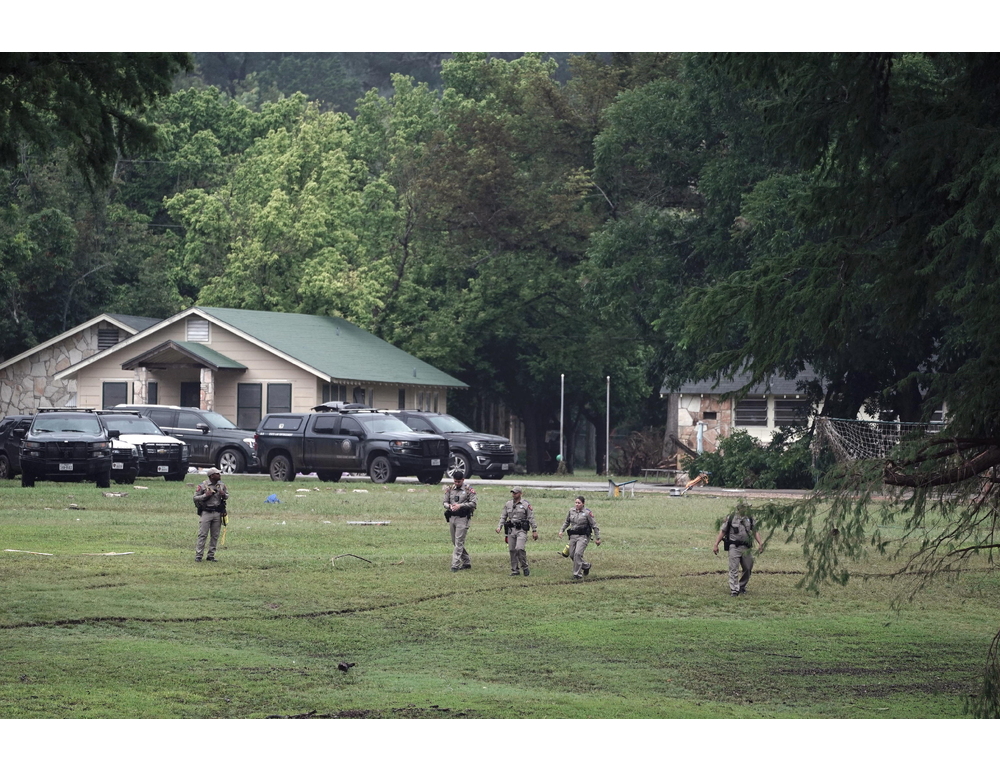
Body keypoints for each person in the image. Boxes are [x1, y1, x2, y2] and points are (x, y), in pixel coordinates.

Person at [713, 503, 764, 596]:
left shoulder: (750, 518)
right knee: (733, 568)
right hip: (734, 546)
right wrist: (716, 544)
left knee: (748, 567)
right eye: (745, 507)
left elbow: (755, 531)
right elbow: (723, 531)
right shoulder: (731, 518)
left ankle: (741, 585)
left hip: (746, 547)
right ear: (740, 508)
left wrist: (760, 543)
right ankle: (734, 590)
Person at [496, 486, 538, 576]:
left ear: (520, 494)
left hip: (521, 530)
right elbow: (503, 516)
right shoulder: (508, 504)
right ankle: (515, 570)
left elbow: (531, 517)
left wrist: (534, 530)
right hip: (511, 529)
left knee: (519, 548)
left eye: (515, 493)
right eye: (513, 493)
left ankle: (525, 566)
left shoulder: (526, 504)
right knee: (512, 550)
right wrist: (499, 526)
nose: (513, 494)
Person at [556, 496, 601, 580]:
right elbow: (567, 522)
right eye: (576, 503)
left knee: (578, 554)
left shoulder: (587, 513)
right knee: (572, 555)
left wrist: (597, 538)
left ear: (583, 503)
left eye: (579, 503)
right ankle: (586, 566)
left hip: (583, 536)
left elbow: (594, 525)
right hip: (573, 536)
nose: (577, 504)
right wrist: (561, 530)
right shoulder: (571, 511)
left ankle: (577, 575)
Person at [443, 469, 477, 572]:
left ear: (463, 480)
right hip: (452, 517)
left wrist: (460, 506)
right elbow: (444, 501)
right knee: (455, 542)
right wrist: (449, 506)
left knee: (459, 542)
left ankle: (455, 565)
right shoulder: (450, 489)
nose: (457, 483)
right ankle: (466, 561)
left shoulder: (468, 490)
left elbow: (473, 504)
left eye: (459, 481)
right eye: (455, 481)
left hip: (463, 519)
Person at [194, 467, 229, 563]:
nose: (219, 475)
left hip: (217, 512)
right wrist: (206, 495)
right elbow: (195, 498)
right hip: (206, 512)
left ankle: (211, 555)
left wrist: (223, 495)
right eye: (217, 474)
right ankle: (199, 555)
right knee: (202, 534)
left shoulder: (221, 485)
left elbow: (227, 495)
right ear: (212, 476)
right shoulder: (202, 486)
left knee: (215, 535)